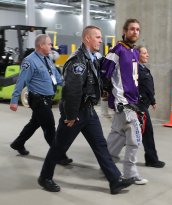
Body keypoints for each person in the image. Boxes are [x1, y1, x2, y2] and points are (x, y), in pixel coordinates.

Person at [38, 26, 134, 195]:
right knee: (59, 147)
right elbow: (72, 91)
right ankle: (45, 177)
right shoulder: (78, 62)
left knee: (100, 145)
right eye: (97, 37)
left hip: (88, 111)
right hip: (76, 112)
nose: (100, 40)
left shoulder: (92, 58)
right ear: (87, 39)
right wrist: (71, 115)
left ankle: (115, 180)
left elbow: (97, 78)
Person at [9, 34, 72, 165]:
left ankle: (18, 143)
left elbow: (56, 77)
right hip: (38, 99)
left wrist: (69, 85)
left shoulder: (47, 59)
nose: (51, 46)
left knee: (34, 123)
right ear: (41, 45)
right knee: (49, 127)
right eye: (49, 44)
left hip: (47, 99)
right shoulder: (29, 61)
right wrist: (14, 100)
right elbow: (21, 81)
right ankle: (59, 155)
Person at [101, 19, 148, 185]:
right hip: (123, 103)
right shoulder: (118, 49)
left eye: (138, 29)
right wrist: (110, 95)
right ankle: (130, 174)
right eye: (132, 29)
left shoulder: (134, 52)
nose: (135, 32)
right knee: (135, 139)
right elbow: (105, 72)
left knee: (117, 137)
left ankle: (106, 167)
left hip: (132, 102)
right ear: (125, 31)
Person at [136, 45, 165, 168]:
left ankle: (111, 153)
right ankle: (151, 159)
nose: (147, 55)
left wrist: (152, 101)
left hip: (144, 104)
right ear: (138, 55)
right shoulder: (136, 69)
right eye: (144, 53)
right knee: (147, 132)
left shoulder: (144, 69)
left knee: (128, 134)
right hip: (139, 105)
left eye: (147, 52)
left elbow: (148, 87)